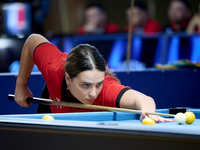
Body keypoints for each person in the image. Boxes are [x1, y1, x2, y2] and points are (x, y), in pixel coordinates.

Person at [14, 34, 173, 123]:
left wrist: (149, 113)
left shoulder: (106, 89)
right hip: (53, 113)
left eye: (98, 84)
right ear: (68, 79)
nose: (93, 93)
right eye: (85, 85)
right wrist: (21, 85)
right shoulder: (53, 67)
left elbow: (143, 99)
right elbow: (32, 40)